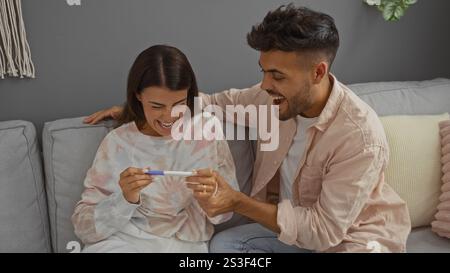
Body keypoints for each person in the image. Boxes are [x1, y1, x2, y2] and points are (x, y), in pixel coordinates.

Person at [84, 4, 411, 252]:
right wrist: (137, 109)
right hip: (288, 231)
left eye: (278, 76)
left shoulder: (360, 137)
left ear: (318, 72)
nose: (264, 85)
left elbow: (324, 231)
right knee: (226, 250)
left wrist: (236, 201)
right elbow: (211, 101)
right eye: (264, 71)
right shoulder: (269, 98)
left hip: (351, 240)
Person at [72, 45, 239, 253]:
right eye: (157, 106)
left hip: (186, 245)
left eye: (179, 104)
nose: (169, 117)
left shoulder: (207, 130)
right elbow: (84, 227)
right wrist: (126, 198)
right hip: (123, 242)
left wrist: (210, 197)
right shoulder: (118, 142)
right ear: (138, 96)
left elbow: (226, 212)